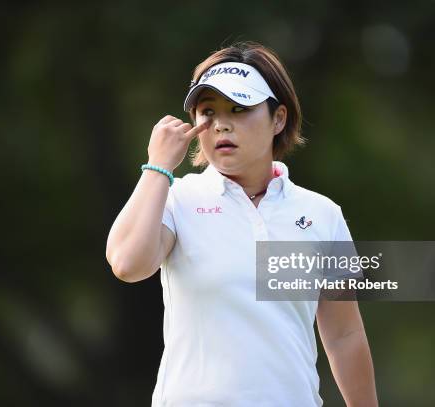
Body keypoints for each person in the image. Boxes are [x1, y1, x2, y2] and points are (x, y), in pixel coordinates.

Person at [106, 42, 378, 406]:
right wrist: (158, 167)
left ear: (278, 119)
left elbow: (345, 336)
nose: (220, 124)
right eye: (207, 111)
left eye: (239, 109)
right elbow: (127, 264)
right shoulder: (177, 199)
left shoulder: (322, 215)